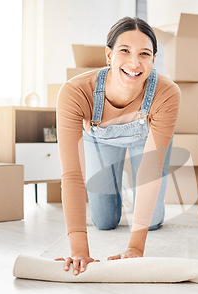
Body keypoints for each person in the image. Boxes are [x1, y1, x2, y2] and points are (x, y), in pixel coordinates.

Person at [55, 17, 180, 275]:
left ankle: (131, 192)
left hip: (145, 141)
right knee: (103, 222)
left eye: (144, 54)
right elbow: (72, 175)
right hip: (98, 138)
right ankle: (118, 189)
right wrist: (79, 251)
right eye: (125, 51)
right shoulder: (75, 92)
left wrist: (135, 247)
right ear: (109, 55)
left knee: (153, 221)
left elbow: (150, 172)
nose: (134, 63)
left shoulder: (167, 93)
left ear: (153, 60)